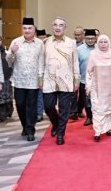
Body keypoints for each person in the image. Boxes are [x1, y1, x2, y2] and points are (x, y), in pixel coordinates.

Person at [43, 17, 80, 145]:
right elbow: (41, 62)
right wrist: (39, 77)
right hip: (49, 80)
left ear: (65, 28)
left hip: (66, 79)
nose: (58, 27)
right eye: (55, 25)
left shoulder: (71, 43)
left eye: (61, 25)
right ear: (53, 27)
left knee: (64, 109)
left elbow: (75, 62)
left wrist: (77, 80)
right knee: (48, 106)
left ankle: (60, 134)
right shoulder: (46, 42)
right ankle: (56, 123)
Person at [7, 17, 44, 141]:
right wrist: (12, 52)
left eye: (30, 28)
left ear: (34, 29)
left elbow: (41, 62)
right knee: (20, 104)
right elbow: (9, 62)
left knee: (31, 106)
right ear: (22, 29)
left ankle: (30, 130)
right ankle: (25, 126)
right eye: (25, 28)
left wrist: (40, 78)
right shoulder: (15, 42)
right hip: (19, 80)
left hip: (33, 81)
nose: (27, 30)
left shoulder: (40, 43)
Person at [86, 35, 111, 141]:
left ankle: (108, 128)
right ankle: (97, 131)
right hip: (97, 87)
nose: (103, 44)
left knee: (109, 109)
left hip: (110, 87)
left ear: (109, 43)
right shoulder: (93, 54)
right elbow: (89, 71)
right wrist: (88, 86)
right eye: (101, 42)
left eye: (105, 42)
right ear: (98, 43)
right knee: (98, 109)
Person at [76, 29, 97, 126]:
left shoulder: (99, 48)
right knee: (86, 100)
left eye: (92, 38)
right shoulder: (79, 50)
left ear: (95, 38)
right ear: (85, 38)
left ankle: (97, 117)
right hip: (84, 80)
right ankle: (89, 117)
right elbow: (76, 65)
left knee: (97, 100)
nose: (90, 40)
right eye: (88, 38)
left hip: (98, 80)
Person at [0, 35, 13, 123]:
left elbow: (11, 62)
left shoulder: (6, 50)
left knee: (7, 96)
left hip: (6, 76)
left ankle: (8, 112)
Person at [36, 29, 48, 122]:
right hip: (39, 73)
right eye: (40, 37)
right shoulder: (35, 46)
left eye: (43, 37)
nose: (42, 39)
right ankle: (39, 113)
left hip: (49, 73)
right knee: (40, 94)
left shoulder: (50, 45)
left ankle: (48, 111)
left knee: (49, 94)